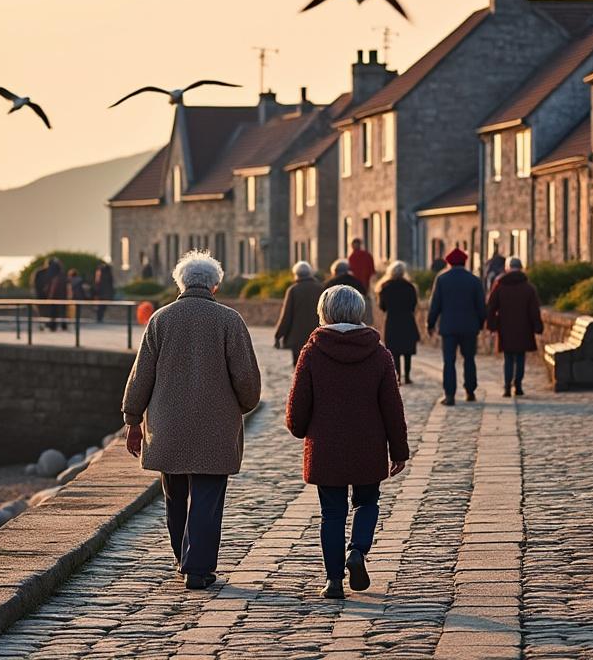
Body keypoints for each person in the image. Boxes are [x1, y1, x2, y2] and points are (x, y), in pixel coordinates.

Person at [122, 251, 262, 591]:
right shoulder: (229, 321)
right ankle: (196, 568)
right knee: (207, 498)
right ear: (215, 285)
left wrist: (132, 418)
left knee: (175, 496)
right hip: (215, 426)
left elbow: (141, 375)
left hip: (167, 426)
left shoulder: (160, 320)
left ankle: (181, 558)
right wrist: (245, 404)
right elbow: (245, 377)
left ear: (180, 284)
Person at [285, 285, 410, 600]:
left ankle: (333, 581)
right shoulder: (379, 354)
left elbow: (297, 407)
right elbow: (392, 407)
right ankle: (357, 551)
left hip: (326, 447)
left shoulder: (312, 352)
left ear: (324, 312)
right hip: (368, 445)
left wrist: (298, 428)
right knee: (367, 502)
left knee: (332, 512)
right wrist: (399, 450)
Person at [427, 248, 486, 406]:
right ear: (465, 262)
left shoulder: (442, 279)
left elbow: (435, 305)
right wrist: (480, 323)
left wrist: (430, 324)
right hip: (469, 327)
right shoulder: (474, 280)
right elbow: (481, 306)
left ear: (449, 262)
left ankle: (450, 395)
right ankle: (470, 391)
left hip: (449, 327)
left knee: (449, 361)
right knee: (469, 359)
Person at [486, 257, 544, 397]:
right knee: (520, 357)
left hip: (505, 327)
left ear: (507, 268)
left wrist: (492, 326)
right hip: (523, 328)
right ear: (521, 268)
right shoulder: (528, 288)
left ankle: (507, 386)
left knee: (508, 358)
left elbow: (491, 307)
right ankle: (518, 385)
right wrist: (538, 326)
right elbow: (534, 310)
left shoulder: (500, 286)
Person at [377, 261, 421, 384]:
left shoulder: (385, 287)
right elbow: (413, 305)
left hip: (392, 321)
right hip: (407, 320)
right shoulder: (410, 287)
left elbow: (382, 306)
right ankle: (407, 376)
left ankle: (398, 377)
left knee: (395, 351)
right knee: (407, 351)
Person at [274, 261, 323, 365]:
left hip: (297, 339)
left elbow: (286, 316)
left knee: (299, 366)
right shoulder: (320, 288)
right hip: (317, 337)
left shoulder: (293, 290)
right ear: (310, 273)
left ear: (296, 274)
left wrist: (278, 335)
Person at [326, 259, 372, 325]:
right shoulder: (357, 282)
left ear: (334, 272)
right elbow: (365, 299)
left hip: (334, 325)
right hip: (357, 323)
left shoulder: (330, 284)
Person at [46, 258, 68, 331]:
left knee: (53, 312)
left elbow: (53, 286)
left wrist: (50, 295)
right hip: (61, 295)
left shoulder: (52, 273)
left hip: (55, 296)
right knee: (62, 311)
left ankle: (53, 326)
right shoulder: (61, 274)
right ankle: (62, 325)